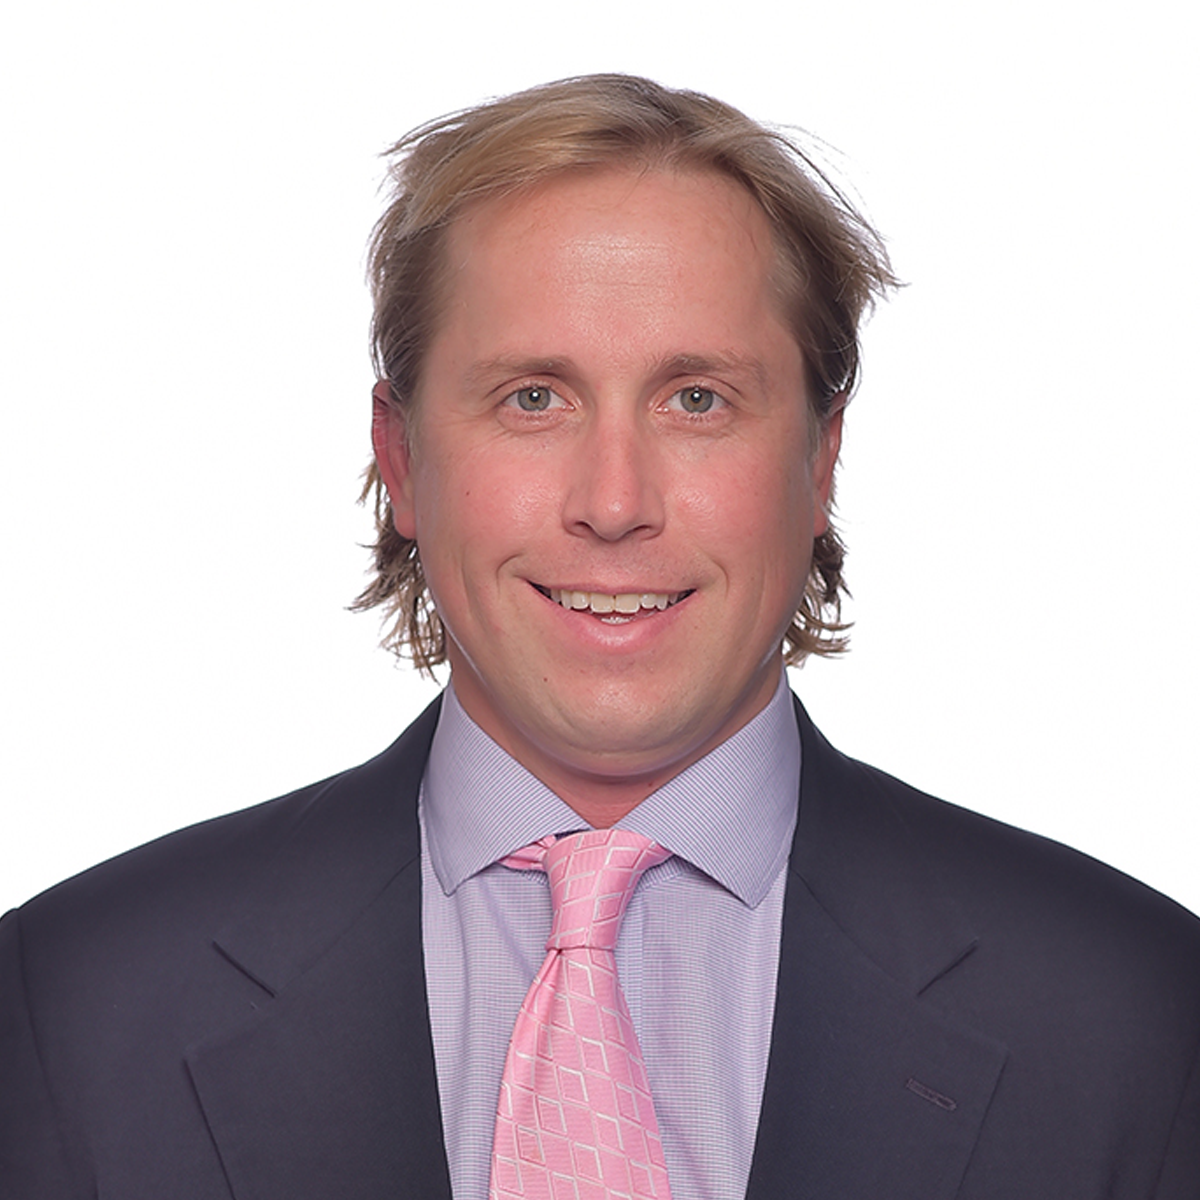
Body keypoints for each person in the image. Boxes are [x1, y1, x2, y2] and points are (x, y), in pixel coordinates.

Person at [2, 74, 1198, 1200]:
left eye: (698, 399)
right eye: (533, 397)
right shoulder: (71, 999)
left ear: (820, 461)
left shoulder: (1140, 1009)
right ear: (402, 456)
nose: (615, 501)